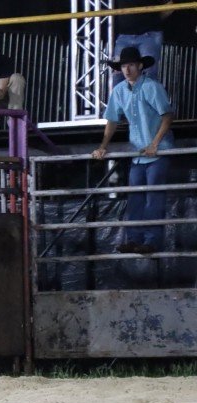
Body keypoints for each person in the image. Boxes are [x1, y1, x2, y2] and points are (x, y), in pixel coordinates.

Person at [92, 47, 174, 254]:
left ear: (139, 66)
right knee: (136, 196)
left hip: (158, 151)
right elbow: (111, 120)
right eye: (123, 66)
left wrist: (155, 143)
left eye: (130, 65)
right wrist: (103, 146)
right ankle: (136, 238)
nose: (126, 69)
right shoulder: (119, 91)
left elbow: (167, 116)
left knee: (152, 195)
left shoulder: (151, 87)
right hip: (140, 153)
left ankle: (151, 241)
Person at [111, 0, 173, 87]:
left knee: (148, 73)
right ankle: (119, 100)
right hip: (124, 35)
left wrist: (153, 20)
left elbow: (170, 5)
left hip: (149, 34)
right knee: (118, 74)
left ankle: (145, 99)